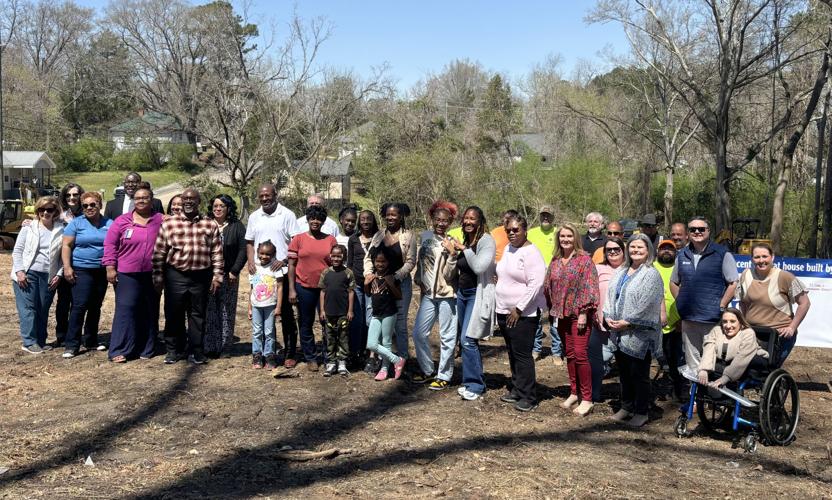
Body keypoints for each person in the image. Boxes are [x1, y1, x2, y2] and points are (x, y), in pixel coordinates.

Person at [152, 188, 224, 365]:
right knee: (173, 313)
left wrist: (217, 276)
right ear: (181, 201)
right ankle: (173, 350)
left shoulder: (210, 224)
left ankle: (196, 351)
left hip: (201, 276)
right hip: (175, 275)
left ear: (199, 201)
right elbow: (159, 251)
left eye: (193, 199)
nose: (189, 202)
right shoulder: (169, 224)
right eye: (185, 199)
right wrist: (158, 275)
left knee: (197, 315)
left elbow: (216, 252)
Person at [604, 234, 665, 428]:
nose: (636, 251)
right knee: (624, 373)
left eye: (640, 247)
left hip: (639, 334)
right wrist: (608, 316)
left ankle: (641, 411)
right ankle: (626, 406)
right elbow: (610, 295)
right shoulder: (622, 271)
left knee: (639, 375)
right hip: (619, 332)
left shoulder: (651, 274)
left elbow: (649, 304)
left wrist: (628, 322)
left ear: (648, 250)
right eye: (632, 247)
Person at [544, 222, 599, 416]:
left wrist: (584, 312)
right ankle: (574, 392)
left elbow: (590, 286)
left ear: (575, 238)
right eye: (562, 236)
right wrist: (551, 309)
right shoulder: (556, 260)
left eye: (569, 236)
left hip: (579, 315)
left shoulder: (584, 260)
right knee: (570, 354)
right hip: (561, 314)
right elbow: (548, 285)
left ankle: (587, 398)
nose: (565, 239)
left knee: (580, 354)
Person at [103, 185, 163, 362]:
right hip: (127, 273)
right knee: (126, 309)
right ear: (133, 201)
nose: (141, 200)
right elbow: (110, 245)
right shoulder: (122, 221)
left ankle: (147, 347)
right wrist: (110, 267)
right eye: (138, 198)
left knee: (150, 310)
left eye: (145, 197)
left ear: (152, 200)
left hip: (153, 273)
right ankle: (120, 349)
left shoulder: (161, 219)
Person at [670, 216, 738, 371]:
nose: (697, 232)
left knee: (712, 362)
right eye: (693, 229)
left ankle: (713, 394)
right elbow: (674, 282)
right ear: (688, 233)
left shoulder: (722, 254)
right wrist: (681, 301)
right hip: (688, 320)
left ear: (709, 231)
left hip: (712, 320)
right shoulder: (682, 255)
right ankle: (695, 394)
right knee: (693, 364)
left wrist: (720, 305)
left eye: (701, 229)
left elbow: (733, 283)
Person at [496, 215, 547, 412]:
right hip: (504, 310)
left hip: (523, 314)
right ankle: (517, 388)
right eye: (508, 230)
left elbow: (536, 284)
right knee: (512, 352)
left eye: (516, 230)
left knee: (523, 355)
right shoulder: (510, 248)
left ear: (525, 230)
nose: (511, 233)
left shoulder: (531, 252)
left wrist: (519, 308)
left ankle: (529, 396)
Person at [245, 184, 299, 368]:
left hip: (281, 272)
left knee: (285, 314)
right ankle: (263, 354)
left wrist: (283, 260)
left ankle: (290, 352)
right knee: (262, 318)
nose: (265, 198)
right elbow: (250, 242)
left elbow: (296, 242)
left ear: (275, 195)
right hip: (261, 273)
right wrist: (251, 262)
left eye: (268, 195)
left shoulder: (287, 215)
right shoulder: (254, 216)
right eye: (261, 195)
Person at [447, 206, 495, 401]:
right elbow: (454, 272)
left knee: (468, 339)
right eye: (465, 218)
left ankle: (476, 385)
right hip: (462, 294)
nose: (468, 221)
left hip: (477, 294)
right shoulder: (466, 241)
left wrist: (464, 250)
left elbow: (479, 267)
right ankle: (469, 382)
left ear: (480, 221)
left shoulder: (486, 241)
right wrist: (452, 254)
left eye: (472, 219)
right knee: (464, 340)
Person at [736, 242, 810, 365]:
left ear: (772, 257)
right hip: (753, 332)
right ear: (752, 259)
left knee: (767, 370)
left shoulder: (784, 277)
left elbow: (805, 303)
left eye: (765, 256)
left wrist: (792, 327)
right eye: (757, 257)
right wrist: (743, 324)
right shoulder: (746, 274)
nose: (761, 260)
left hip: (777, 335)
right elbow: (742, 303)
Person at [412, 201, 459, 389]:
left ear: (450, 222)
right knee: (418, 334)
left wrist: (453, 254)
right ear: (432, 219)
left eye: (445, 221)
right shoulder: (424, 236)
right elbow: (421, 262)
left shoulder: (452, 240)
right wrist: (419, 278)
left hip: (446, 294)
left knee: (447, 336)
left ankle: (444, 376)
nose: (441, 223)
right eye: (437, 220)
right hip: (428, 294)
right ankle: (428, 370)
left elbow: (450, 274)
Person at [62, 191, 113, 358]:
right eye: (85, 205)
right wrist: (67, 267)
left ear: (100, 205)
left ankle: (91, 340)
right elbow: (67, 246)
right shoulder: (76, 223)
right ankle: (72, 344)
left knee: (95, 306)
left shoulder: (109, 223)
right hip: (81, 269)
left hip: (101, 270)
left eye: (93, 204)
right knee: (79, 306)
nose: (89, 208)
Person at [363, 202, 416, 360]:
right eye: (388, 215)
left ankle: (403, 358)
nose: (391, 217)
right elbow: (368, 257)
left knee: (399, 324)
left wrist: (395, 277)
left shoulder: (409, 236)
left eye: (394, 215)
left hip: (400, 285)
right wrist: (368, 274)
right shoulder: (379, 235)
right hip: (378, 284)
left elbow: (411, 262)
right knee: (374, 319)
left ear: (401, 217)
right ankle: (383, 358)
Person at [288, 205, 338, 371]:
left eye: (319, 219)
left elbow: (335, 265)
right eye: (312, 218)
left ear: (323, 221)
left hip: (325, 289)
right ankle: (310, 357)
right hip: (303, 286)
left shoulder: (330, 240)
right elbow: (292, 265)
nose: (315, 221)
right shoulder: (298, 239)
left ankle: (328, 355)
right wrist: (292, 289)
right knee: (305, 322)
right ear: (307, 220)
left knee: (328, 322)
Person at [12, 196, 64, 353]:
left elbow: (63, 255)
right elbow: (17, 251)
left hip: (49, 275)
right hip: (28, 273)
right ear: (37, 211)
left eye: (50, 209)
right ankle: (29, 342)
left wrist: (60, 274)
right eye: (42, 209)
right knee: (28, 308)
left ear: (55, 211)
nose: (46, 212)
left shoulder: (61, 229)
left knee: (43, 308)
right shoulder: (29, 227)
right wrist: (20, 271)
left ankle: (40, 341)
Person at [203, 194, 248, 358]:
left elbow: (243, 250)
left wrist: (235, 270)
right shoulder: (205, 224)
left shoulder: (237, 226)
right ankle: (209, 346)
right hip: (207, 275)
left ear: (228, 208)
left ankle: (225, 346)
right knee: (209, 310)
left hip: (229, 275)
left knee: (226, 310)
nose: (218, 208)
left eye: (221, 206)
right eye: (215, 205)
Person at [590, 237, 626, 402]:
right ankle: (593, 394)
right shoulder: (598, 268)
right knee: (596, 361)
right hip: (599, 323)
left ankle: (627, 399)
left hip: (625, 326)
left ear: (623, 251)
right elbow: (590, 293)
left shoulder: (631, 269)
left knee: (625, 363)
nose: (612, 252)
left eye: (616, 249)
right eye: (609, 250)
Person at [698, 308, 768, 388]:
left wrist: (726, 377)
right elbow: (709, 348)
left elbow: (742, 357)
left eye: (732, 321)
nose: (728, 326)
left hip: (746, 365)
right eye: (725, 321)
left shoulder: (748, 333)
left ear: (740, 321)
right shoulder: (717, 331)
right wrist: (704, 369)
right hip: (723, 364)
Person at [528, 205, 563, 365]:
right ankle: (536, 348)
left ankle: (556, 351)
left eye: (548, 215)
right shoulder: (531, 233)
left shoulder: (559, 233)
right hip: (535, 279)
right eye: (543, 215)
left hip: (556, 280)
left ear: (553, 217)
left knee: (555, 316)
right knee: (536, 315)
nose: (545, 218)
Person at [365, 249, 407, 381]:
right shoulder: (372, 276)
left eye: (383, 261)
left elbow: (399, 296)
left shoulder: (392, 276)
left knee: (386, 342)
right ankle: (397, 360)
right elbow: (368, 293)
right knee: (371, 344)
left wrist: (390, 282)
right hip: (376, 314)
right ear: (374, 262)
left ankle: (384, 369)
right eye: (378, 261)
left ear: (388, 263)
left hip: (389, 313)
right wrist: (366, 283)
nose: (380, 264)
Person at [347, 210, 379, 372]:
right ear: (360, 222)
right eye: (363, 219)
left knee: (371, 320)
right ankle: (355, 353)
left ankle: (372, 355)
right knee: (356, 321)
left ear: (374, 221)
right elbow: (350, 264)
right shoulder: (353, 239)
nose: (366, 221)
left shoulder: (379, 238)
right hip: (357, 286)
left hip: (374, 286)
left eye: (369, 219)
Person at [654, 239, 686, 401]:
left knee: (676, 361)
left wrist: (681, 319)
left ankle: (679, 391)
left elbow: (686, 294)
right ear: (657, 251)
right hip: (654, 323)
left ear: (676, 252)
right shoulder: (651, 268)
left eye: (670, 249)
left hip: (676, 323)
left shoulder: (681, 268)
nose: (666, 251)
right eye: (663, 249)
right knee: (657, 359)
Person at [53, 183, 83, 347]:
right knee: (63, 301)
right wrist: (29, 222)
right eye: (68, 195)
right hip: (62, 263)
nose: (72, 198)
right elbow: (43, 222)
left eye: (75, 194)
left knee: (78, 302)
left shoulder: (87, 213)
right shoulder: (59, 215)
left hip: (81, 263)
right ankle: (62, 335)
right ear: (64, 197)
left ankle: (75, 334)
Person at [319, 245, 356, 377]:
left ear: (343, 257)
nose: (336, 258)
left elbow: (351, 292)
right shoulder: (325, 273)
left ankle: (342, 362)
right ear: (330, 256)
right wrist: (322, 310)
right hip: (329, 313)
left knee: (343, 337)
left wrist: (350, 310)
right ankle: (331, 362)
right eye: (333, 256)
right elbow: (322, 292)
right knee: (330, 338)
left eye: (339, 256)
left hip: (343, 313)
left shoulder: (348, 273)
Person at [248, 240, 285, 370]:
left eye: (268, 254)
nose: (264, 256)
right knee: (257, 331)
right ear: (257, 253)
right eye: (261, 253)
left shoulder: (275, 268)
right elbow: (252, 288)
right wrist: (249, 307)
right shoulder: (254, 268)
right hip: (256, 305)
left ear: (273, 254)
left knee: (269, 332)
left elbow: (280, 287)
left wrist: (278, 307)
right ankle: (257, 356)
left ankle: (269, 355)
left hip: (270, 305)